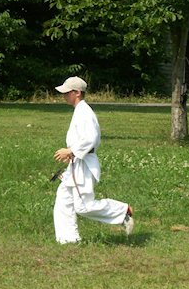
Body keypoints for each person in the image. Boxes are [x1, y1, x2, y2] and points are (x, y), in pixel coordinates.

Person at [52, 76, 134, 243]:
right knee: (63, 199)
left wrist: (70, 151)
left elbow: (91, 139)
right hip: (77, 162)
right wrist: (72, 153)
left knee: (84, 206)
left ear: (77, 93)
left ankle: (122, 212)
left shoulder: (85, 112)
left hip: (84, 164)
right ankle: (68, 239)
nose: (64, 96)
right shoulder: (79, 111)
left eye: (67, 92)